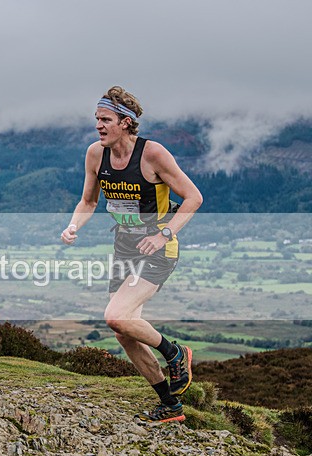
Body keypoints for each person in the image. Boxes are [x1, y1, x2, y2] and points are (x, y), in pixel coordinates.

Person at [61, 86, 203, 423]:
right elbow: (89, 201)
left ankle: (175, 352)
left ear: (126, 122)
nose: (98, 126)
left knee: (115, 316)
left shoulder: (153, 154)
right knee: (124, 332)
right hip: (124, 248)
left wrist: (163, 233)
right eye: (97, 119)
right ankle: (170, 405)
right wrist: (74, 226)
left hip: (158, 249)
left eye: (105, 119)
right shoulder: (96, 154)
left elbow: (194, 197)